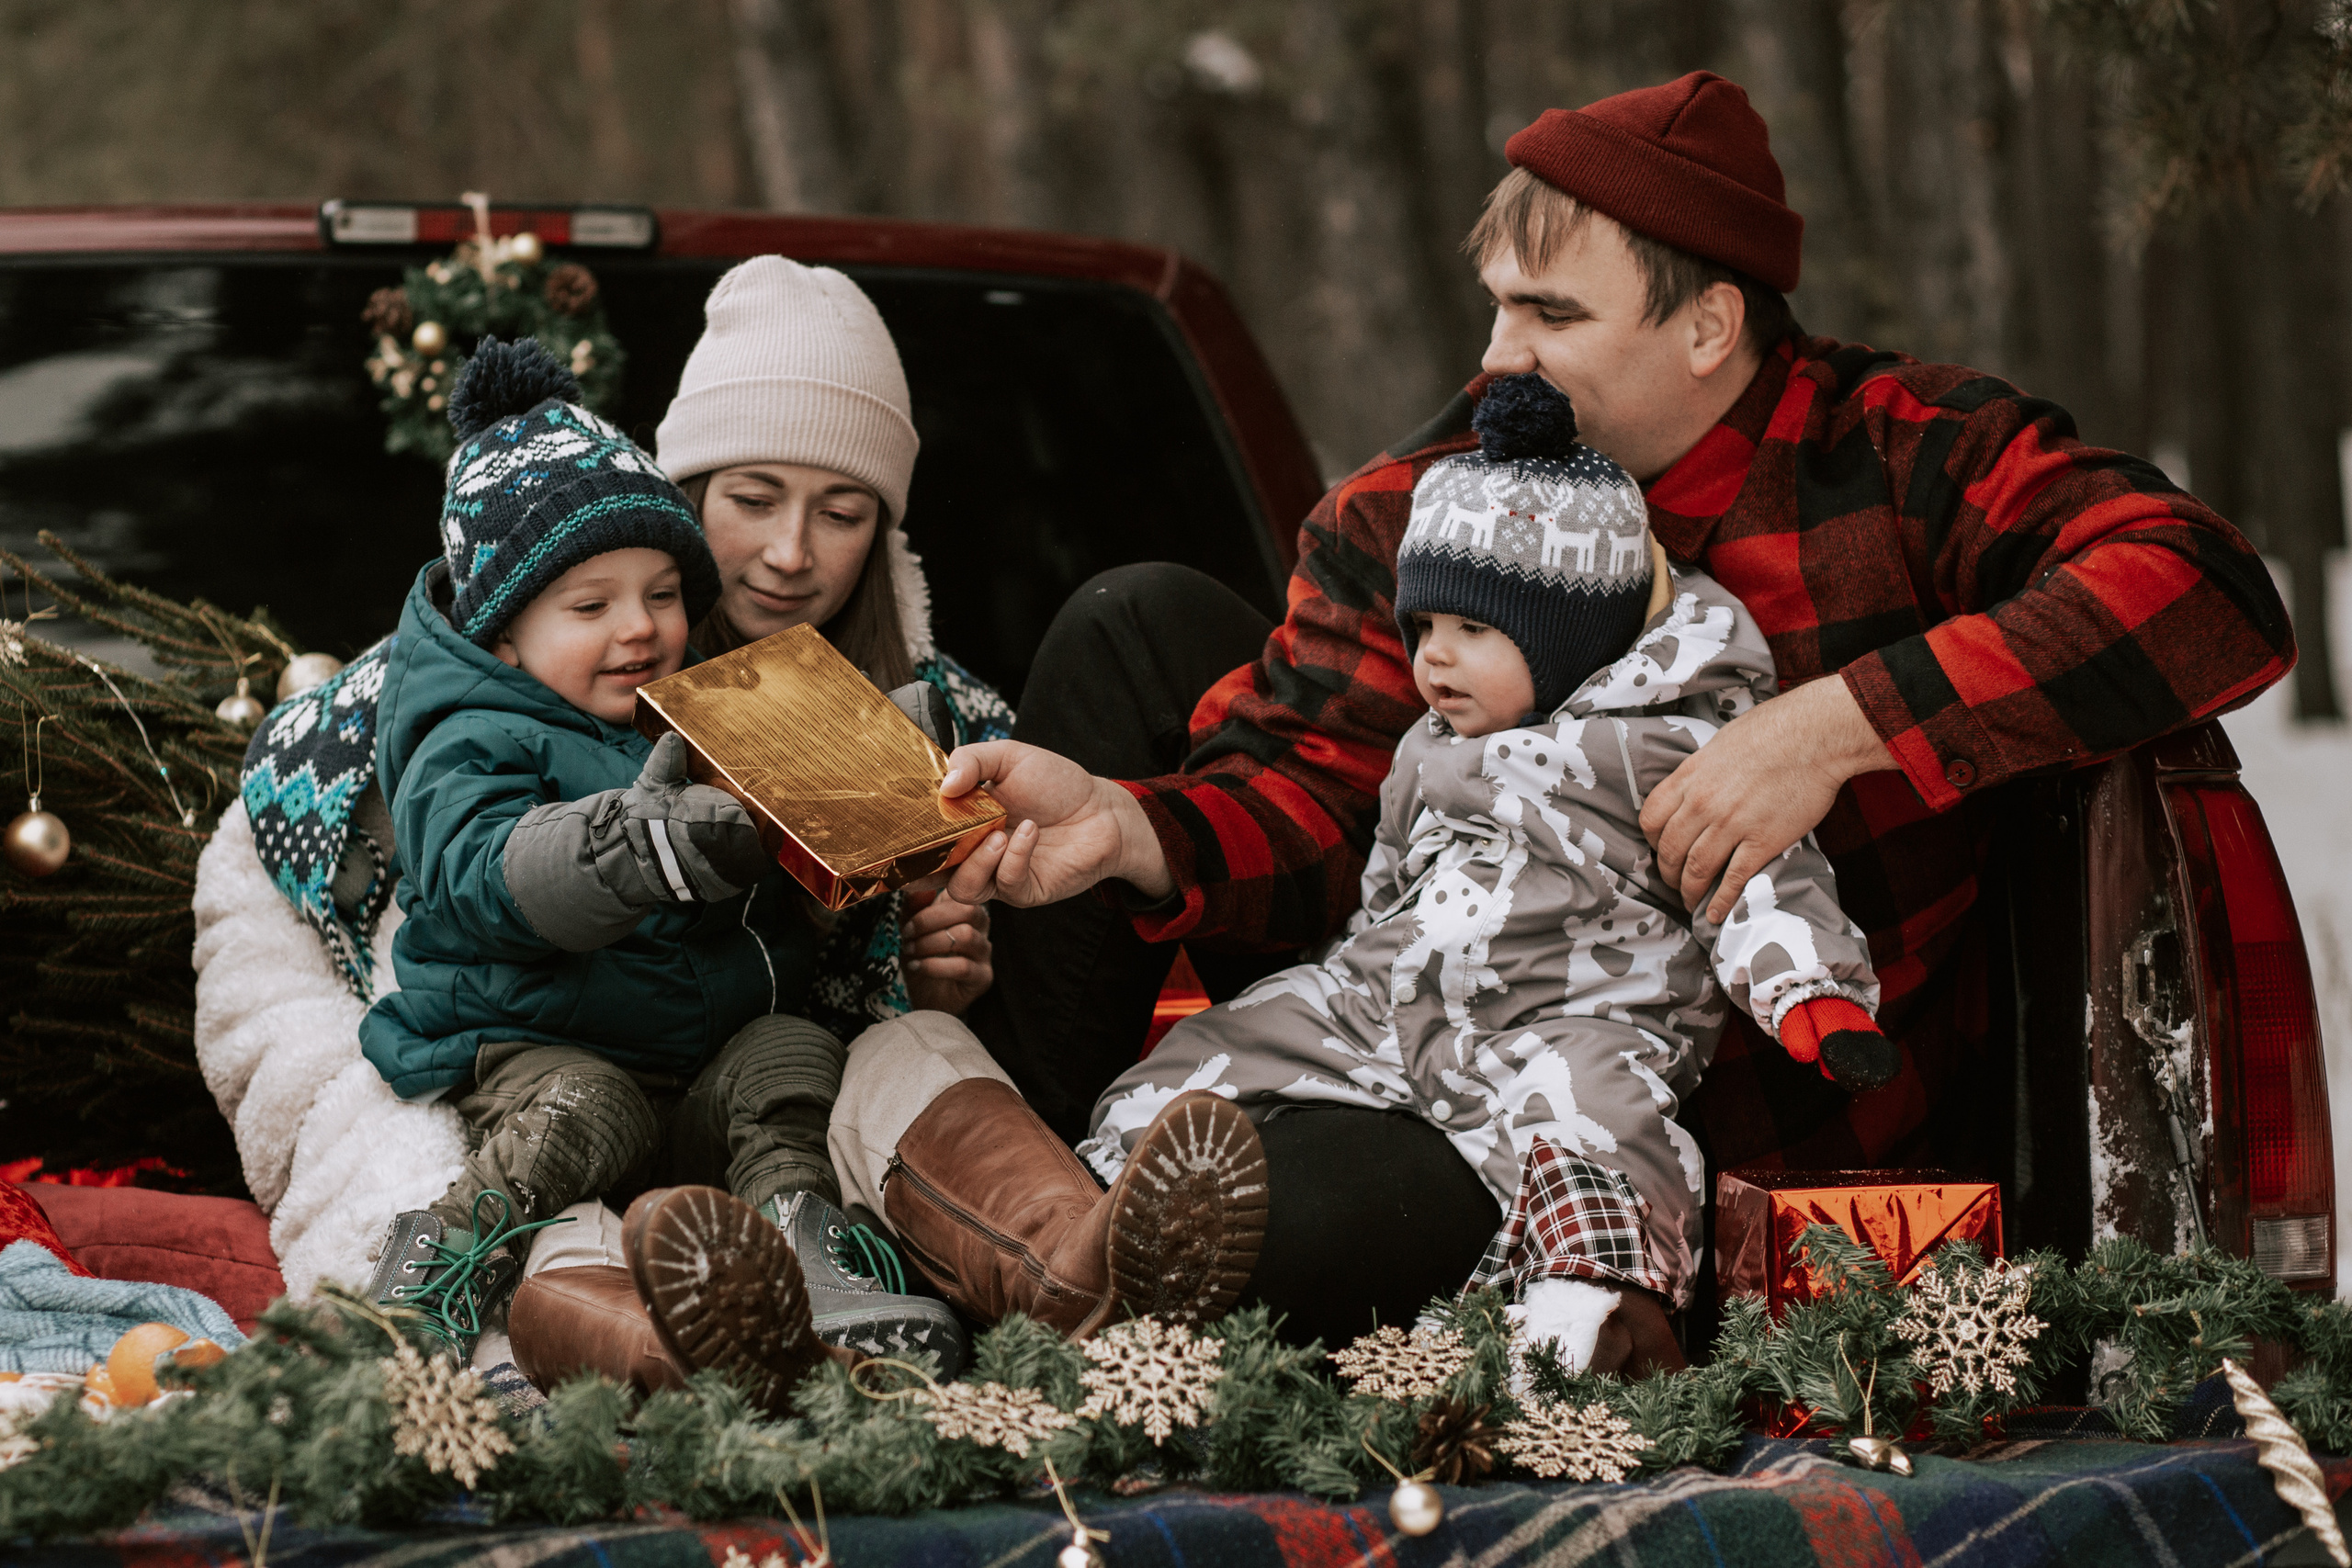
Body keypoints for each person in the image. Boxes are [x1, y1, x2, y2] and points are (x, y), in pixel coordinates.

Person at [828, 70, 2295, 1352]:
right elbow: (1319, 797)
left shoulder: (1903, 460)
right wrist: (1133, 828)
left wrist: (1834, 721)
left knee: (1270, 1216)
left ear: (1712, 324)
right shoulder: (1419, 504)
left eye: (1550, 311)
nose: (1496, 357)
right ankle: (1037, 1217)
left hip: (1759, 1175)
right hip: (1440, 1080)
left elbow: (2203, 583)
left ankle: (1069, 1257)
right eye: (1495, 306)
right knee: (1133, 637)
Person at [353, 337, 959, 1402]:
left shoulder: (706, 703)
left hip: (701, 1072)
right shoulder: (470, 734)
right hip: (545, 1052)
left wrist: (881, 777)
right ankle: (434, 1272)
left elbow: (789, 879)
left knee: (786, 1053)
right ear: (502, 637)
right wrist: (645, 846)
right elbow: (495, 868)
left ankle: (810, 1262)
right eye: (590, 607)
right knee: (588, 1104)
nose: (640, 627)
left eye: (662, 593)